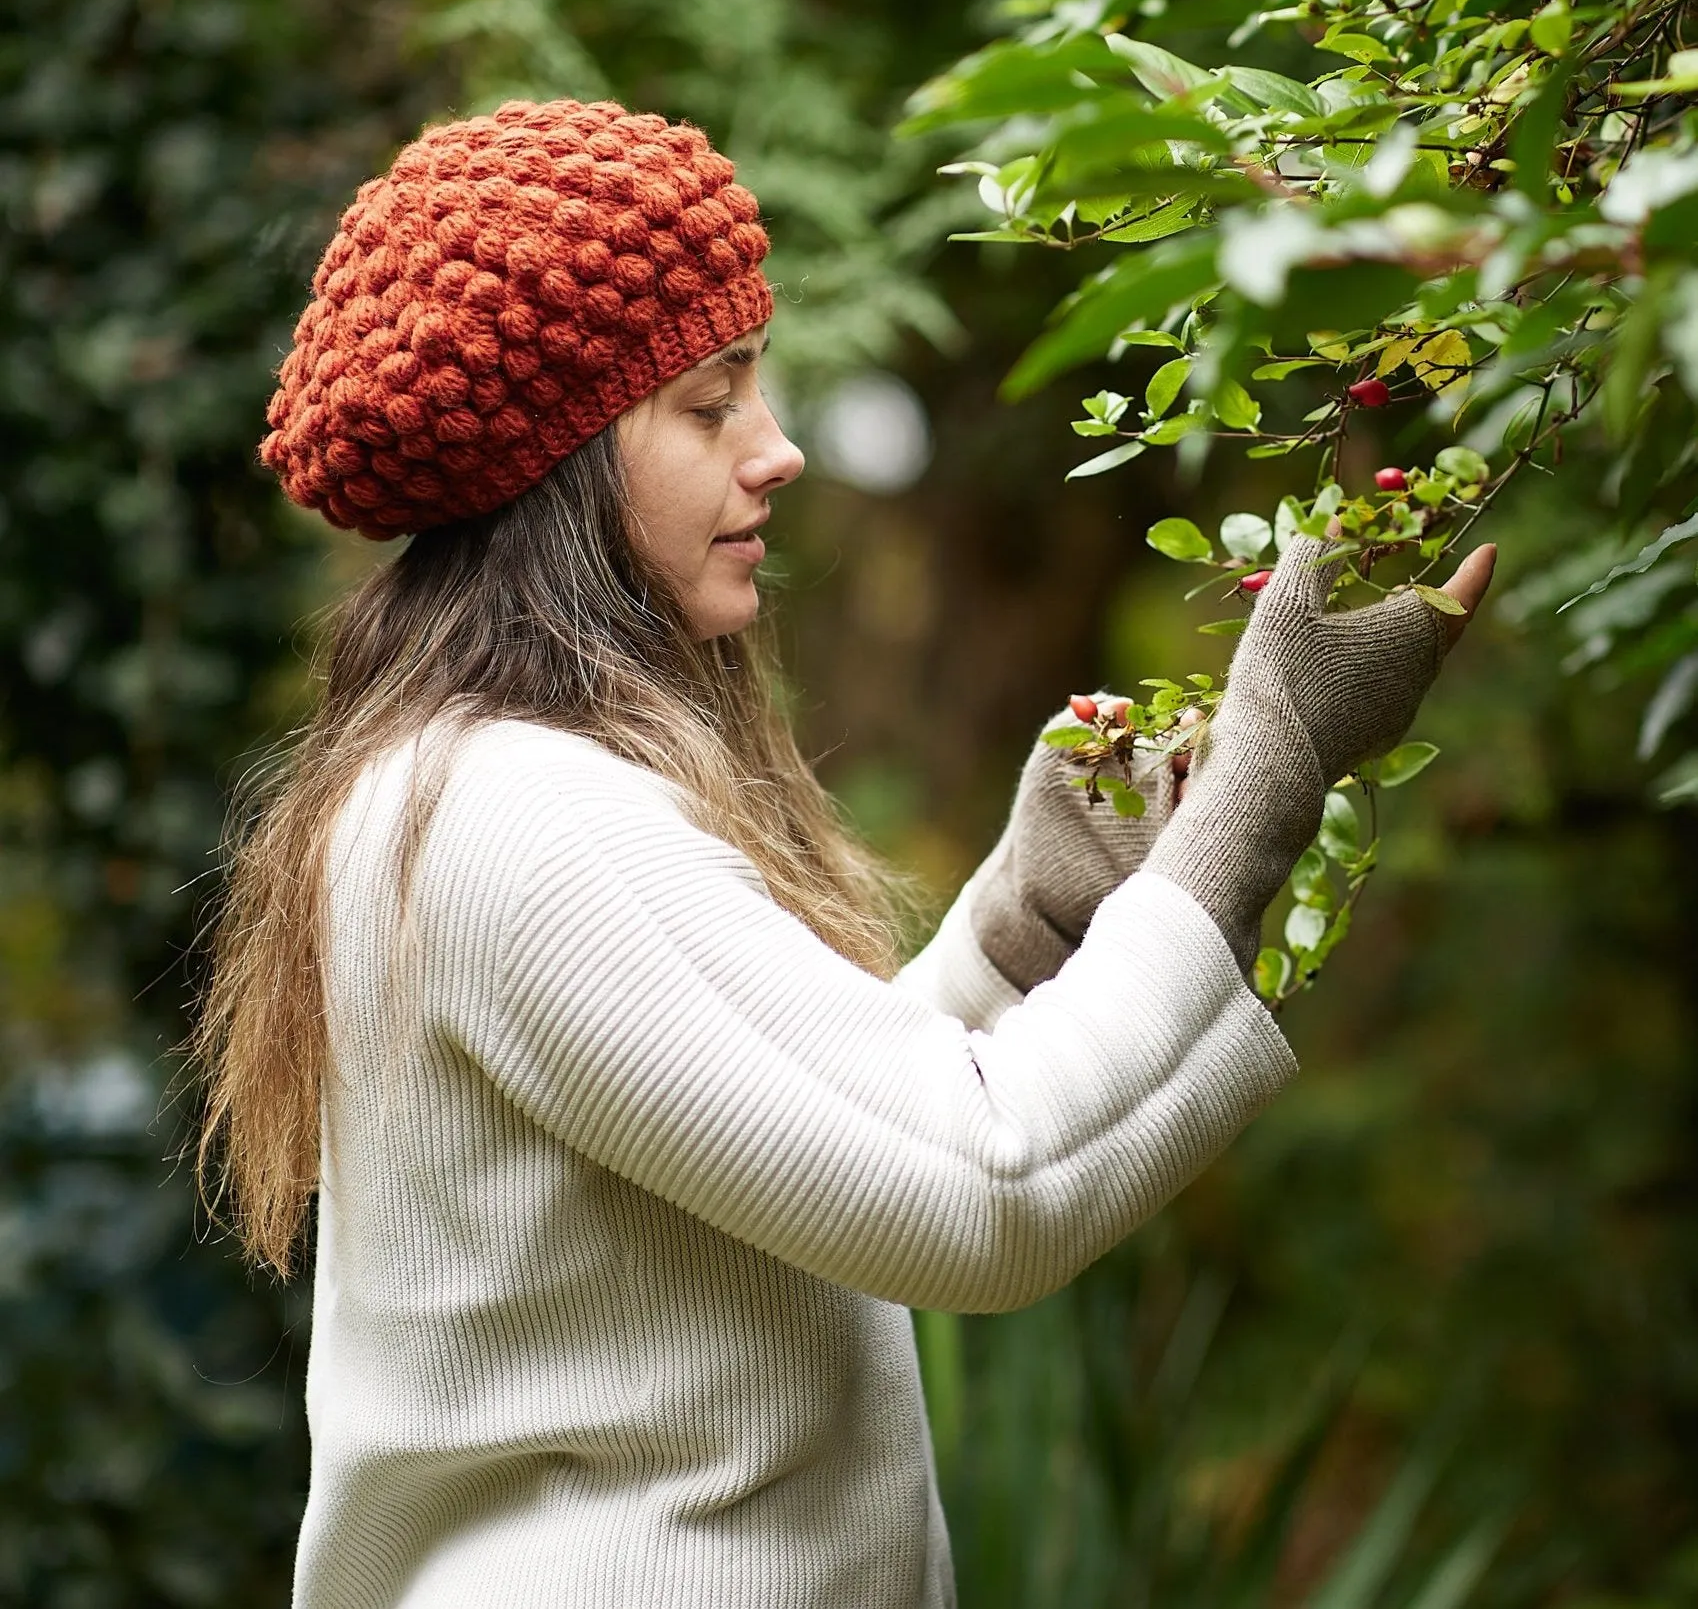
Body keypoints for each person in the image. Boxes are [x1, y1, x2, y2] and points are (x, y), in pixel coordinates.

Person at [192, 98, 1496, 1608]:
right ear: (556, 464)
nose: (779, 449)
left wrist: (1024, 924)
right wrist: (1257, 789)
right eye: (710, 404)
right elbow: (979, 1196)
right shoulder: (524, 820)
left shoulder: (468, 785)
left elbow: (809, 1137)